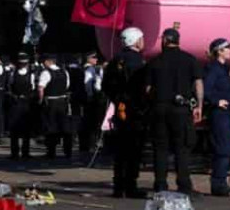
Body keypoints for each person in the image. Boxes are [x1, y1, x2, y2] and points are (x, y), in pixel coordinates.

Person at [145, 28, 204, 196]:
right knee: (182, 148)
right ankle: (184, 185)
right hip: (181, 109)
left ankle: (160, 184)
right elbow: (198, 83)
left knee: (160, 148)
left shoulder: (154, 61)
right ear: (178, 40)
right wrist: (199, 106)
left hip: (160, 108)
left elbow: (148, 89)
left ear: (164, 41)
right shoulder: (190, 60)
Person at [102, 27, 147, 198]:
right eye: (141, 38)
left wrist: (117, 99)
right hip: (135, 111)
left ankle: (118, 186)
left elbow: (105, 86)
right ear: (135, 41)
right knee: (134, 149)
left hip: (119, 108)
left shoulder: (115, 61)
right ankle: (130, 185)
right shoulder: (138, 61)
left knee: (120, 150)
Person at [204, 38, 230, 197]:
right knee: (222, 149)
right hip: (220, 115)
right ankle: (218, 185)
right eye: (228, 48)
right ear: (219, 51)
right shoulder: (214, 69)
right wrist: (216, 101)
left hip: (228, 113)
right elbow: (206, 89)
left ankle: (221, 182)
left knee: (227, 148)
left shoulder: (225, 69)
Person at [37, 54, 72, 159]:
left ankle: (51, 151)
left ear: (48, 61)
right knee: (65, 126)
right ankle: (68, 151)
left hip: (51, 102)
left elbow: (40, 88)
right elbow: (67, 85)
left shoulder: (46, 73)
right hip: (63, 101)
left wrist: (40, 100)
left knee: (51, 126)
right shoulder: (64, 72)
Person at [7, 53, 35, 159]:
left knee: (26, 130)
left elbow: (33, 89)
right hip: (16, 103)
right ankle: (14, 153)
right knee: (14, 129)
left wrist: (29, 97)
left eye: (24, 63)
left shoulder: (31, 75)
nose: (23, 65)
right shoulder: (13, 74)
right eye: (21, 63)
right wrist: (14, 96)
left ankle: (25, 152)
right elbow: (9, 88)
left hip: (26, 104)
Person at [79, 51, 106, 153]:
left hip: (87, 99)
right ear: (88, 59)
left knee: (89, 122)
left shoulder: (86, 68)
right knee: (92, 123)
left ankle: (88, 144)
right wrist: (90, 96)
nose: (96, 60)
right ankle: (89, 145)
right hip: (91, 99)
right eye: (94, 58)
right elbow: (88, 85)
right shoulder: (89, 69)